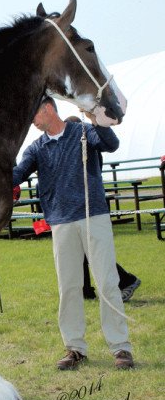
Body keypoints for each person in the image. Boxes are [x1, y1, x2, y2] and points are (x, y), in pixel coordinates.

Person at [13, 97, 133, 370]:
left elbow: (111, 144)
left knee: (106, 284)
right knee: (68, 288)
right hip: (61, 223)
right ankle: (75, 348)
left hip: (94, 216)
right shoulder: (36, 148)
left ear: (48, 108)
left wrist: (99, 123)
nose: (31, 120)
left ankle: (121, 348)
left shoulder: (82, 132)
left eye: (33, 112)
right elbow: (16, 174)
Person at [64, 116, 142, 303]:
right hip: (80, 205)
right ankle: (86, 290)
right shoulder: (83, 146)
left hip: (89, 205)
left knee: (94, 252)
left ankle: (126, 280)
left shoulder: (88, 145)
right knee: (82, 252)